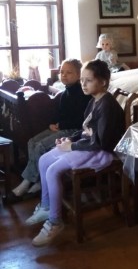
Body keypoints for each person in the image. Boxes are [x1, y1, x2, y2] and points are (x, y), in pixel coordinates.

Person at [24, 59, 125, 247]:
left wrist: (71, 147)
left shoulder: (107, 105)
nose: (83, 84)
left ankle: (55, 221)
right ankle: (46, 206)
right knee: (44, 160)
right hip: (87, 145)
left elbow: (101, 142)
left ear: (103, 82)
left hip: (101, 152)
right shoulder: (94, 100)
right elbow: (85, 130)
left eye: (89, 80)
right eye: (82, 80)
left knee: (53, 170)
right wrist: (70, 139)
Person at [12, 58, 92, 198]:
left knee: (40, 146)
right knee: (32, 142)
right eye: (62, 72)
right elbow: (59, 113)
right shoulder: (65, 93)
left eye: (69, 72)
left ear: (79, 75)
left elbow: (80, 120)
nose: (64, 75)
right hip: (62, 127)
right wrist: (52, 123)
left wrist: (61, 125)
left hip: (74, 130)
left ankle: (28, 181)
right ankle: (38, 179)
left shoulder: (82, 94)